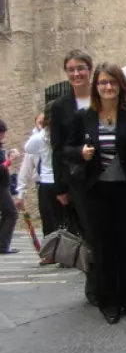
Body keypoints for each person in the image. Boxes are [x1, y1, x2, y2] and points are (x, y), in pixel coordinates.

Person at [65, 63, 126, 324]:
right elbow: (65, 149)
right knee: (103, 248)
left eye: (112, 82)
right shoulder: (84, 116)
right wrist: (81, 153)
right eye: (102, 83)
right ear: (96, 87)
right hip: (96, 192)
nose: (107, 87)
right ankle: (109, 302)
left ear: (121, 86)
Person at [50, 49, 96, 301]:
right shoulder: (60, 106)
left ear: (90, 70)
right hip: (78, 180)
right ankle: (95, 285)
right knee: (89, 234)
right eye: (71, 69)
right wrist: (61, 188)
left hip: (108, 178)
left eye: (81, 68)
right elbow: (57, 149)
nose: (77, 73)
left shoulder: (101, 96)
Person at [15, 104, 63, 257]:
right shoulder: (41, 138)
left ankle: (60, 253)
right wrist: (20, 192)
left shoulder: (43, 137)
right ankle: (52, 253)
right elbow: (26, 166)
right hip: (50, 182)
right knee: (53, 220)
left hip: (54, 182)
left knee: (57, 220)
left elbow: (28, 148)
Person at [0, 119, 20, 255]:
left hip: (3, 185)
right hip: (0, 187)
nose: (3, 136)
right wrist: (10, 160)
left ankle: (2, 244)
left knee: (7, 214)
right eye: (2, 133)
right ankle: (2, 246)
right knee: (12, 213)